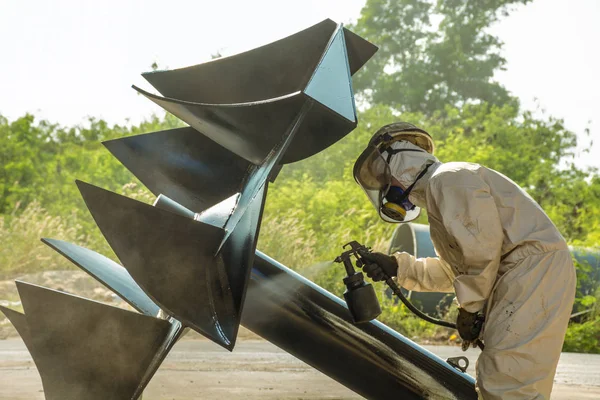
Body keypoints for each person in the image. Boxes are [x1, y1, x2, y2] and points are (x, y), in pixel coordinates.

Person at [353, 122, 576, 400]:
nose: (388, 191)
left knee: (506, 379)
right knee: (510, 379)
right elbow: (457, 271)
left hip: (530, 271)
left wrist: (469, 308)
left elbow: (481, 252)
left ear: (400, 162)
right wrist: (398, 267)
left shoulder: (449, 179)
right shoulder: (440, 195)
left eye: (387, 180)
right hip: (523, 273)